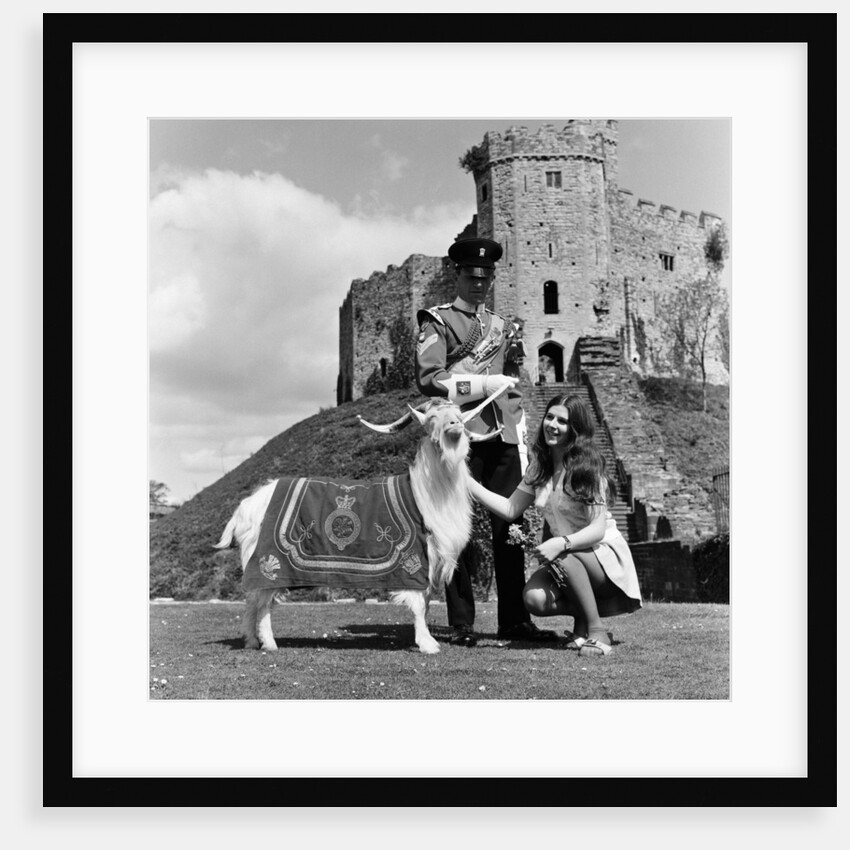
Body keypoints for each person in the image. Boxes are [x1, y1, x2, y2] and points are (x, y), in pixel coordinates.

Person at [415, 236, 557, 647]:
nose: (478, 284)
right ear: (457, 276)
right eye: (471, 276)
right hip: (460, 436)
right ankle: (461, 622)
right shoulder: (438, 322)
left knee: (510, 527)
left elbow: (511, 386)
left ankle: (514, 620)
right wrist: (481, 383)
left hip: (503, 436)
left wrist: (521, 437)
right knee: (455, 527)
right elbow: (429, 379)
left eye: (485, 277)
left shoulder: (503, 327)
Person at [467, 393, 643, 657]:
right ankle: (583, 623)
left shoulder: (588, 468)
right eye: (549, 417)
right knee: (534, 599)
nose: (552, 425)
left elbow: (597, 530)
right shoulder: (540, 467)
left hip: (604, 558)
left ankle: (597, 631)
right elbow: (510, 509)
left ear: (575, 430)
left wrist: (561, 542)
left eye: (562, 421)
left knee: (563, 555)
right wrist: (467, 482)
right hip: (568, 558)